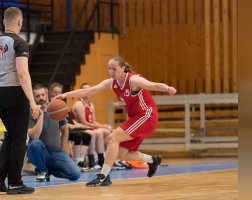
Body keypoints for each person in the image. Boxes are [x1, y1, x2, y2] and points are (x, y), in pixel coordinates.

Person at [54, 55, 177, 187]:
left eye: (114, 69)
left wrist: (167, 88)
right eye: (109, 69)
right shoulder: (111, 83)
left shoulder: (133, 79)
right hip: (135, 118)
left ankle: (103, 176)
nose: (111, 72)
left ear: (123, 68)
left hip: (147, 116)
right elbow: (88, 91)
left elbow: (153, 85)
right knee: (119, 153)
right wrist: (66, 95)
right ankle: (152, 160)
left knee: (113, 138)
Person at [0, 7, 40, 194]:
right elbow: (22, 73)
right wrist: (32, 101)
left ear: (4, 22)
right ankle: (15, 182)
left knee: (12, 135)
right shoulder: (20, 43)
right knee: (20, 138)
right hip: (14, 92)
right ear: (20, 22)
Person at [27, 84, 81, 182]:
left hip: (56, 152)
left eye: (43, 95)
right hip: (38, 152)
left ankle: (49, 170)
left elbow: (65, 129)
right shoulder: (30, 112)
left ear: (47, 94)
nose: (41, 98)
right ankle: (41, 171)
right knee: (35, 143)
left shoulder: (56, 109)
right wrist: (41, 115)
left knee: (75, 174)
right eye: (37, 96)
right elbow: (35, 136)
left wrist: (63, 148)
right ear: (33, 97)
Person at [49, 82, 92, 170]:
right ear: (50, 92)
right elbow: (58, 122)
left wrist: (77, 125)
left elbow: (69, 120)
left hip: (67, 129)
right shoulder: (51, 106)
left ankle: (79, 161)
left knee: (87, 136)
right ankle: (75, 161)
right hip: (57, 131)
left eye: (59, 92)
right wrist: (72, 126)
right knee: (78, 136)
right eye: (55, 92)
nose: (57, 94)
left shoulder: (62, 105)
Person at [71, 83, 112, 169]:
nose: (87, 92)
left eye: (89, 90)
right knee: (96, 133)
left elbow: (93, 121)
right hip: (80, 127)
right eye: (85, 90)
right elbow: (84, 123)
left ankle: (103, 158)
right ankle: (91, 160)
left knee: (106, 132)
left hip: (87, 126)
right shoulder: (79, 104)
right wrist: (103, 126)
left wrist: (104, 126)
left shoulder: (91, 104)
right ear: (81, 91)